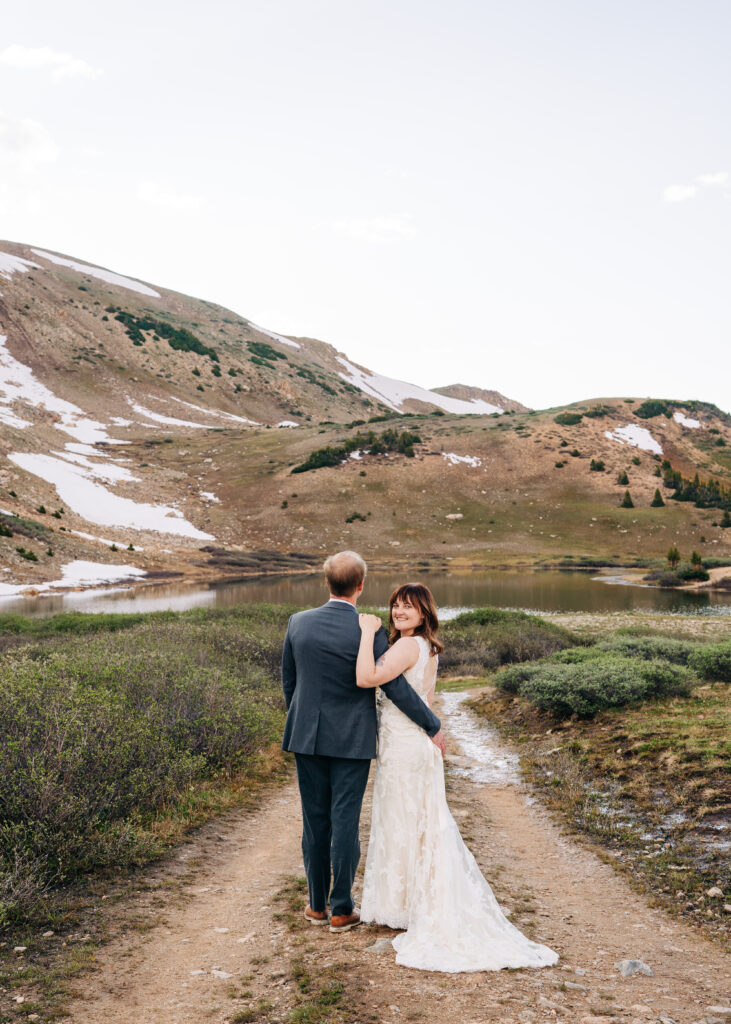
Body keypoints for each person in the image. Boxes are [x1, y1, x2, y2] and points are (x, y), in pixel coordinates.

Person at [356, 582, 558, 972]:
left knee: (401, 819)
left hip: (403, 747)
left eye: (407, 607)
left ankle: (401, 905)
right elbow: (426, 699)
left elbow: (367, 678)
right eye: (395, 605)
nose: (399, 612)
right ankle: (410, 901)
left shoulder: (407, 645)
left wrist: (367, 633)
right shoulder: (429, 648)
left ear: (423, 612)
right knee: (419, 821)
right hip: (416, 744)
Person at [281, 552, 445, 933]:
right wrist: (431, 724)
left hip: (306, 737)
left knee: (314, 821)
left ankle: (316, 906)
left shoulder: (297, 623)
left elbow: (289, 682)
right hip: (352, 741)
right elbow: (395, 687)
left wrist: (304, 720)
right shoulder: (365, 630)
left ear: (326, 583)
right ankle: (341, 909)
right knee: (344, 821)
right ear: (360, 586)